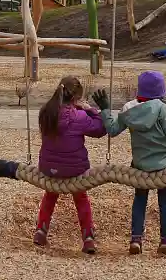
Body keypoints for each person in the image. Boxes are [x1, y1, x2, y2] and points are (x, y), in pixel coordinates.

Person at [92, 71, 166, 256]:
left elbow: (112, 130)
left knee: (140, 201)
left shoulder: (127, 109)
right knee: (165, 203)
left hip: (141, 166)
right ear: (160, 91)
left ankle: (136, 240)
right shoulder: (161, 108)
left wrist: (105, 109)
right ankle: (165, 242)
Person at [35, 76, 107, 254]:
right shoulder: (79, 116)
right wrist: (90, 110)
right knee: (81, 197)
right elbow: (101, 129)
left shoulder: (46, 112)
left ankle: (40, 231)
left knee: (50, 194)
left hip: (49, 168)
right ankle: (88, 237)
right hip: (74, 170)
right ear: (75, 98)